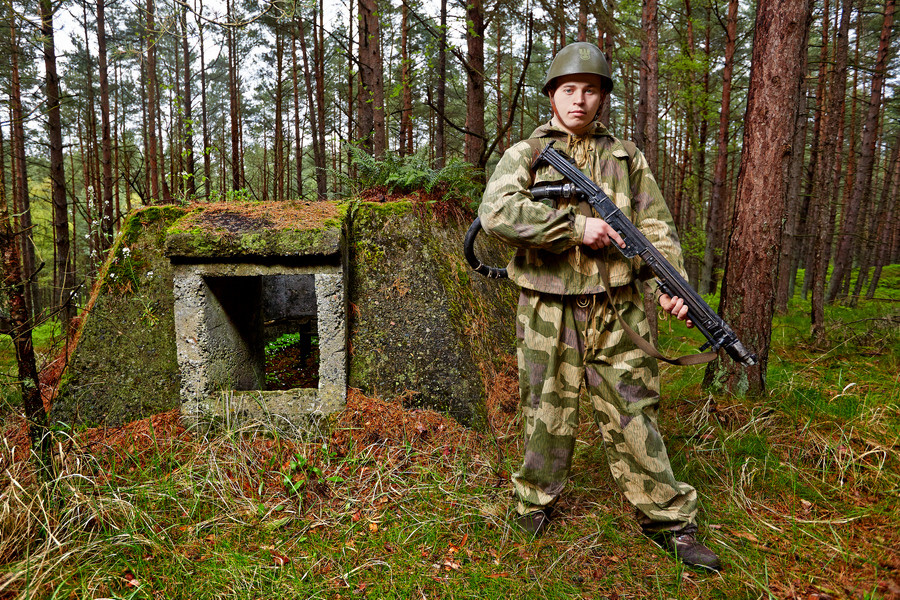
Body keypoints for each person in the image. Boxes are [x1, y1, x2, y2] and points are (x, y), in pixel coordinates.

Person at [477, 42, 721, 571]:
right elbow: (495, 212)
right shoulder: (528, 153)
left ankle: (670, 520)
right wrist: (573, 229)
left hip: (621, 310)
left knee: (635, 410)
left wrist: (670, 288)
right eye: (569, 90)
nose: (580, 100)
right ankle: (533, 504)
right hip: (547, 308)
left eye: (591, 90)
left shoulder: (627, 158)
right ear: (552, 96)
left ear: (603, 97)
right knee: (544, 412)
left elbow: (656, 230)